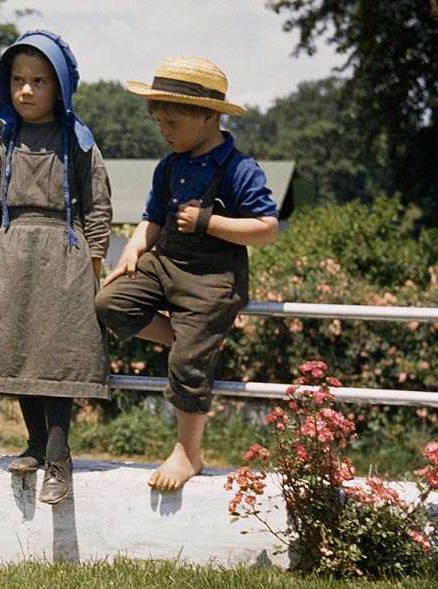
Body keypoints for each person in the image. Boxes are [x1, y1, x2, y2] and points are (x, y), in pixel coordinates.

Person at [95, 56, 278, 491]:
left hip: (213, 278)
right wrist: (135, 249)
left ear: (209, 117)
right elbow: (151, 217)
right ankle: (194, 342)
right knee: (109, 302)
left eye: (172, 122)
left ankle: (188, 451)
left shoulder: (238, 169)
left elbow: (266, 229)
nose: (165, 131)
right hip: (166, 262)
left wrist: (208, 222)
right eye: (160, 122)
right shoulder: (169, 165)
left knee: (188, 363)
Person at [0, 30, 112, 505]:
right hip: (11, 256)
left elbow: (98, 206)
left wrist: (92, 263)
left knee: (57, 352)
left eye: (39, 81)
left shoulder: (80, 144)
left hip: (65, 253)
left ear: (61, 86)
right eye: (18, 80)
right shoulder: (0, 146)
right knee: (19, 347)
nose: (26, 91)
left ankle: (59, 456)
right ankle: (32, 442)